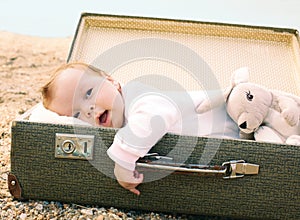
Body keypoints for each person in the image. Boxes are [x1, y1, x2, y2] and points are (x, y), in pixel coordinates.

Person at [42, 62, 239, 195]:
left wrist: (123, 160)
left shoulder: (138, 96)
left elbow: (153, 118)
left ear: (112, 82)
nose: (88, 109)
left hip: (236, 121)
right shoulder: (118, 120)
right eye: (76, 114)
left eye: (89, 93)